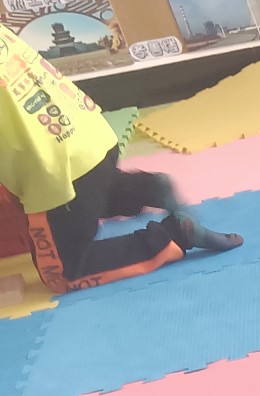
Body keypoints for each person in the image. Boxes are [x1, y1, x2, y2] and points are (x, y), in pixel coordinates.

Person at [0, 26, 240, 288]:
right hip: (93, 134)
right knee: (89, 195)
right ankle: (140, 189)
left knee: (62, 271)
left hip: (59, 172)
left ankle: (175, 235)